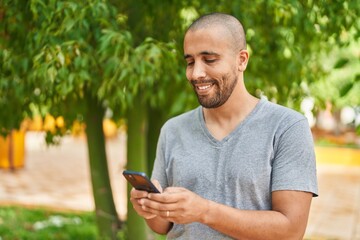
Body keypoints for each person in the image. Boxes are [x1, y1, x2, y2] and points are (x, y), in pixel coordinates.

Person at [129, 12, 318, 240]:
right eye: (190, 62)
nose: (196, 73)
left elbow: (291, 230)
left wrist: (204, 211)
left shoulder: (287, 127)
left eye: (209, 60)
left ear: (242, 60)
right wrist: (149, 209)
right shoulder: (173, 130)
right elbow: (164, 226)